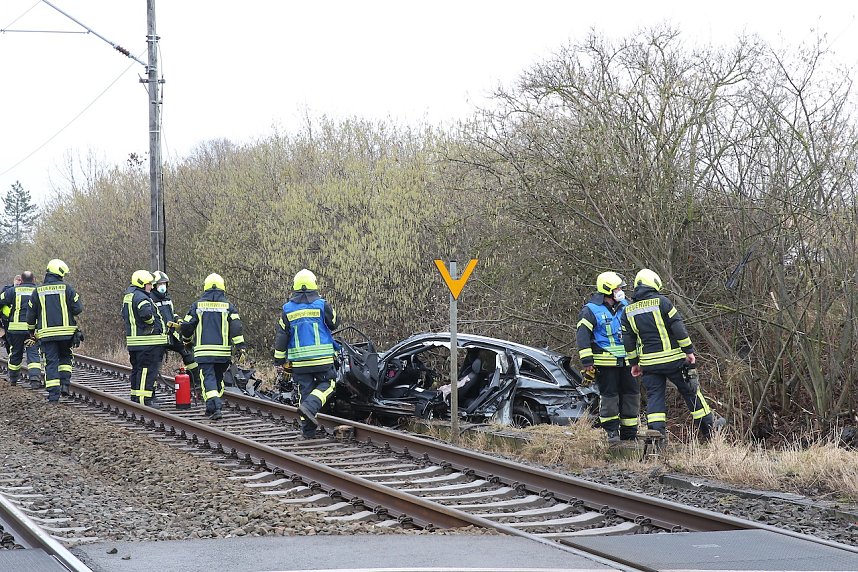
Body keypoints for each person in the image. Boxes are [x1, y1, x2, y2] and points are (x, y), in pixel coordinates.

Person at [621, 268, 714, 440]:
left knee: (654, 397)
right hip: (674, 361)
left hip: (648, 364)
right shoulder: (662, 302)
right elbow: (678, 327)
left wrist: (634, 363)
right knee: (691, 392)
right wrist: (689, 351)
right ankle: (709, 431)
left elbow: (628, 341)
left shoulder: (628, 311)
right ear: (653, 284)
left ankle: (656, 438)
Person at [274, 269, 340, 439]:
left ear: (295, 287)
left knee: (305, 391)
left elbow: (282, 335)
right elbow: (334, 323)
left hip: (300, 362)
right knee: (330, 384)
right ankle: (310, 407)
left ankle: (308, 431)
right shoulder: (322, 304)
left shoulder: (287, 309)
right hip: (322, 359)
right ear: (314, 285)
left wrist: (279, 359)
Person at [576, 271, 639, 444]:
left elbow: (635, 330)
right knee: (610, 397)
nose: (621, 291)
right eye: (618, 288)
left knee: (631, 395)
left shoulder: (626, 306)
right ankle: (612, 432)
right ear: (608, 290)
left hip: (627, 361)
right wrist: (587, 362)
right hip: (605, 363)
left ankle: (630, 432)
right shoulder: (590, 311)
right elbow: (582, 336)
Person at [180, 273, 245, 420]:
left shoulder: (198, 306)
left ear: (206, 288)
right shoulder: (229, 306)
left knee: (208, 379)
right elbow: (236, 327)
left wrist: (187, 341)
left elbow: (186, 326)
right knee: (217, 379)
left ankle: (216, 406)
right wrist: (240, 346)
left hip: (204, 352)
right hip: (223, 353)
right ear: (223, 288)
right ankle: (211, 407)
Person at [26, 259, 83, 403]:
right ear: (60, 273)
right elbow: (78, 309)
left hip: (47, 335)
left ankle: (53, 396)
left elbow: (31, 315)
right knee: (65, 358)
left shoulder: (37, 291)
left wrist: (31, 332)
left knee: (51, 362)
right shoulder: (67, 288)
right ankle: (64, 385)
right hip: (66, 334)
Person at [122, 270, 169, 406]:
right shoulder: (142, 298)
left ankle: (136, 396)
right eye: (149, 284)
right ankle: (144, 399)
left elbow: (124, 314)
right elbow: (146, 314)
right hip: (147, 342)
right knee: (146, 371)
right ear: (142, 284)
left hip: (135, 341)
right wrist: (152, 324)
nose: (151, 287)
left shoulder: (129, 296)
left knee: (137, 369)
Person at [150, 271, 202, 389]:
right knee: (155, 363)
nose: (162, 286)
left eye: (164, 283)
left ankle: (195, 381)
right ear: (154, 286)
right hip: (159, 337)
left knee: (187, 353)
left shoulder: (167, 298)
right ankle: (150, 389)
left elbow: (171, 313)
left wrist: (178, 320)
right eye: (159, 284)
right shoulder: (150, 300)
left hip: (172, 335)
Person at [0, 272, 42, 387]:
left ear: (21, 280)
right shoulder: (39, 291)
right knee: (33, 354)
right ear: (34, 279)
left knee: (15, 353)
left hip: (15, 329)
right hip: (32, 330)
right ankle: (35, 380)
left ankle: (13, 379)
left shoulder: (13, 291)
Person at [0, 275, 22, 354]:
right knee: (8, 339)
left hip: (19, 319)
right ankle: (10, 353)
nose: (19, 282)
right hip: (6, 319)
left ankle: (15, 354)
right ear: (14, 280)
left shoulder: (24, 292)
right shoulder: (7, 290)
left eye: (20, 280)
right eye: (17, 280)